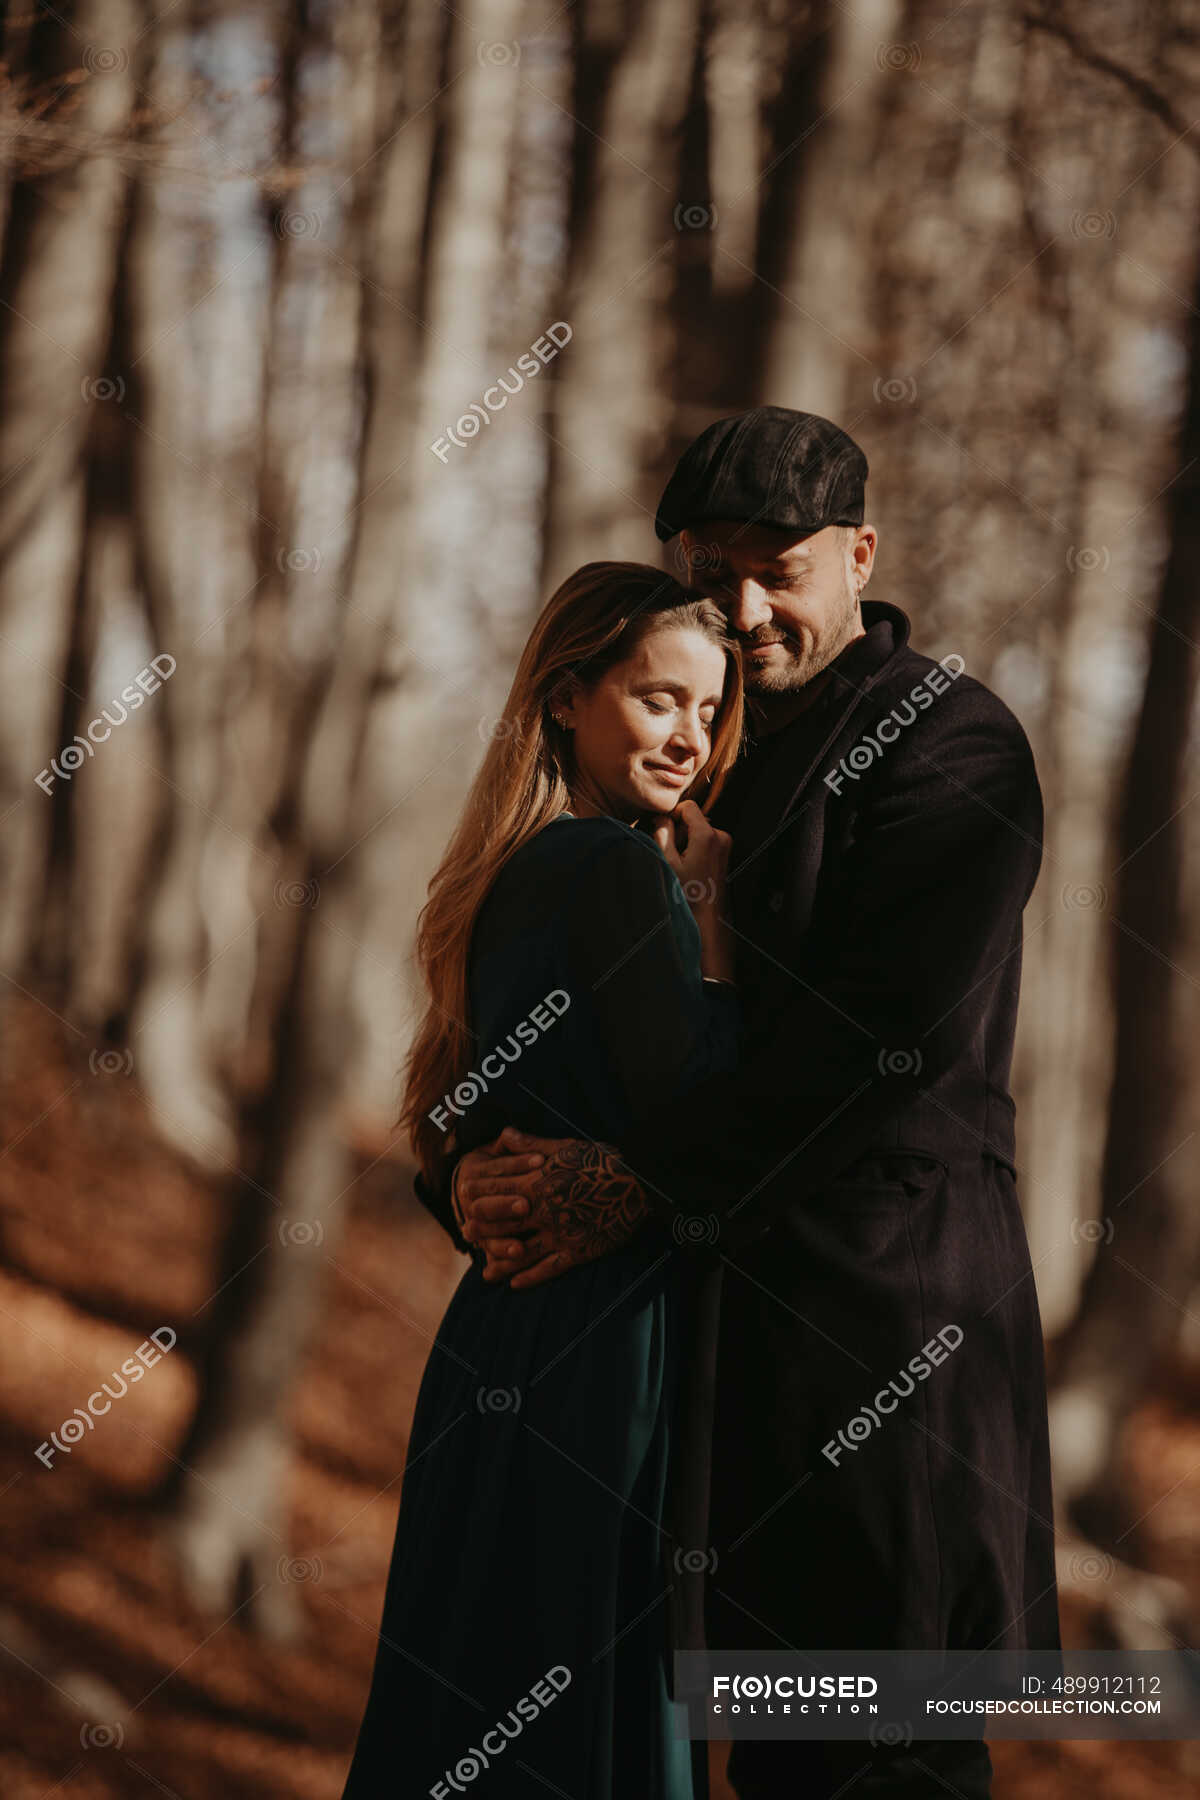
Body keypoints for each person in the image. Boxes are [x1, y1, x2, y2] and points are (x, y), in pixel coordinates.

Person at [449, 407, 1062, 1798]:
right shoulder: (680, 741)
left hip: (881, 1344)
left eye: (777, 569)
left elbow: (868, 1050)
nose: (743, 605)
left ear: (859, 555)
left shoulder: (951, 749)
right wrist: (472, 1175)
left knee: (876, 1761)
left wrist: (623, 1183)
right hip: (691, 1366)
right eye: (712, 565)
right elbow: (540, 1011)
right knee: (759, 1764)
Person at [340, 562, 747, 1800]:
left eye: (708, 711)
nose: (689, 737)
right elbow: (705, 1121)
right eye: (657, 699)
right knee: (589, 1700)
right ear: (567, 697)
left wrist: (474, 1187)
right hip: (606, 1347)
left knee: (475, 1684)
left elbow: (453, 1125)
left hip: (495, 1339)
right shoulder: (623, 874)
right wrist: (721, 933)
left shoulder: (503, 876)